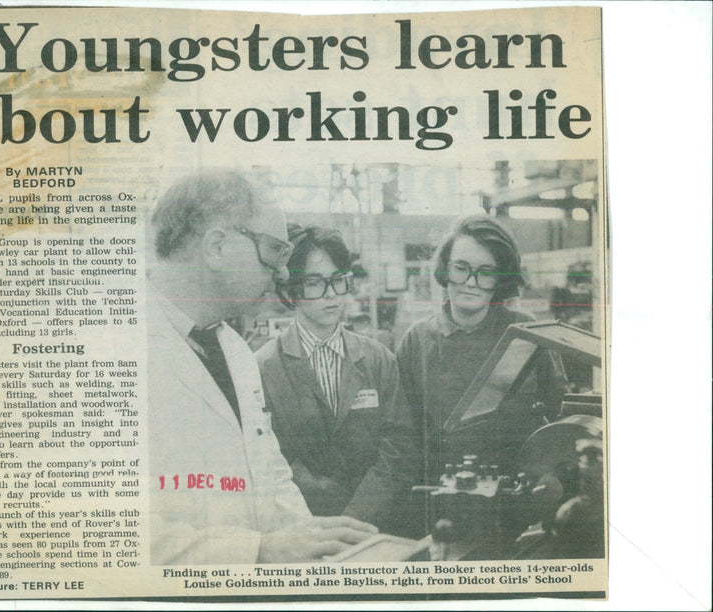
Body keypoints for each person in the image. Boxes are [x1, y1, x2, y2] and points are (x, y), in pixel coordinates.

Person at [147, 170, 377, 565]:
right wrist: (257, 551)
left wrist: (310, 540)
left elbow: (269, 472)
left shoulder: (234, 350)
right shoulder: (105, 350)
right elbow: (94, 531)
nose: (285, 275)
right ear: (216, 247)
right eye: (274, 253)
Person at [395, 215, 567, 534]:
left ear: (500, 279)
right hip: (441, 511)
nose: (471, 282)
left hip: (520, 513)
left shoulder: (528, 333)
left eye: (485, 272)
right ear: (445, 270)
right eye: (461, 267)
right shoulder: (416, 341)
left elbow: (560, 420)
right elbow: (402, 439)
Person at [256, 225, 416, 534]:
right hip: (303, 528)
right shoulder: (263, 367)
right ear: (290, 290)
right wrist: (325, 516)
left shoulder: (379, 359)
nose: (331, 294)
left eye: (338, 281)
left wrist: (357, 516)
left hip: (375, 526)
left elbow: (399, 449)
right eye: (315, 283)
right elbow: (269, 458)